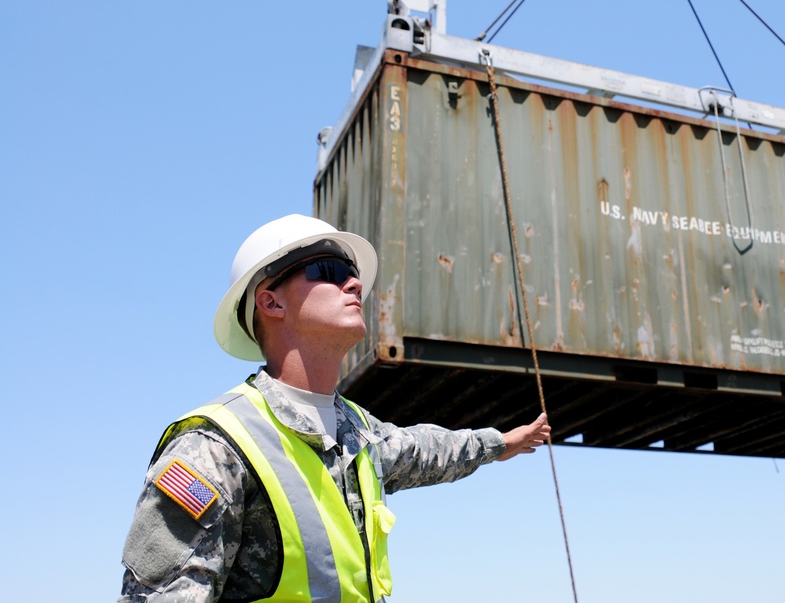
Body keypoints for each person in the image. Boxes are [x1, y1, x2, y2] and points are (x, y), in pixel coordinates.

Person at [119, 214, 550, 602]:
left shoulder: (359, 433)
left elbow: (427, 450)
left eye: (355, 274)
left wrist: (501, 443)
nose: (355, 284)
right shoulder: (214, 447)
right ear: (271, 302)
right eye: (330, 271)